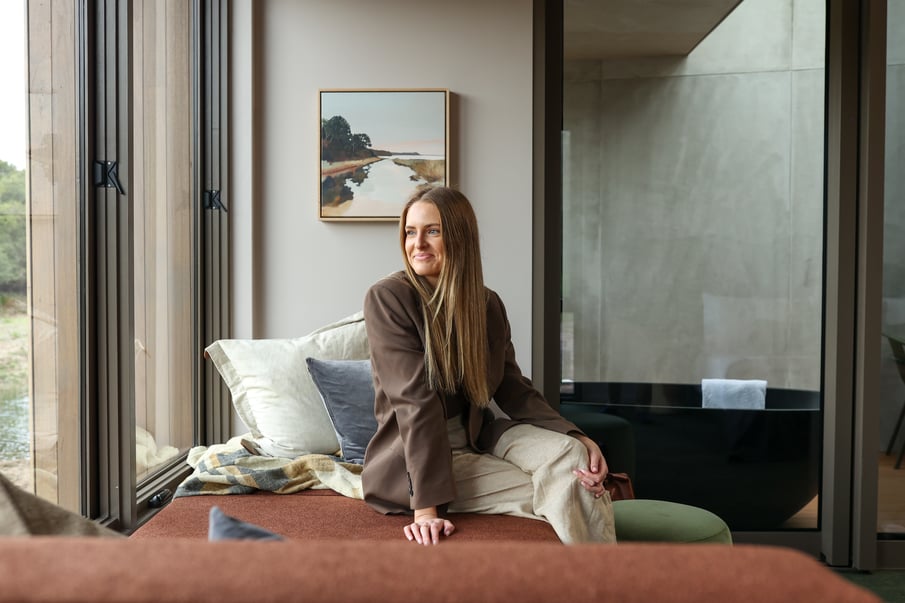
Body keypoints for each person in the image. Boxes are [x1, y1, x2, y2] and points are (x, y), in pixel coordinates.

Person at [361, 185, 616, 546]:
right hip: (418, 458)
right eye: (410, 232)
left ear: (460, 237)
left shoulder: (486, 304)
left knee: (572, 458)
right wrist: (426, 511)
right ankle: (604, 575)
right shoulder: (389, 298)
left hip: (479, 437)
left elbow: (513, 387)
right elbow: (415, 405)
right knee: (570, 488)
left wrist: (577, 436)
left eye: (432, 231)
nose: (418, 244)